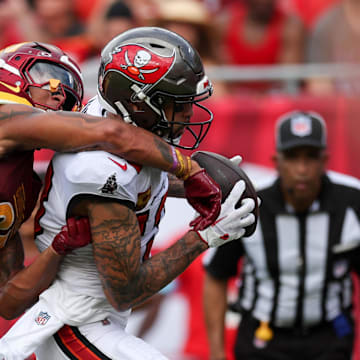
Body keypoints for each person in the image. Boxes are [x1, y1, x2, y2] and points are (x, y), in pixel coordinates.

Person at [0, 26, 257, 359]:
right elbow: (126, 290)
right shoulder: (12, 123)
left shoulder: (21, 178)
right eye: (47, 77)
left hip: (81, 317)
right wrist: (205, 229)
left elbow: (9, 300)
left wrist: (56, 250)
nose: (63, 95)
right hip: (79, 324)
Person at [203, 110, 360, 360]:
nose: (302, 169)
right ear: (276, 160)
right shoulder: (248, 205)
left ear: (325, 160)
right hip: (262, 338)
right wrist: (217, 353)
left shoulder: (352, 203)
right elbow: (216, 275)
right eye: (292, 157)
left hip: (330, 337)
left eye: (311, 157)